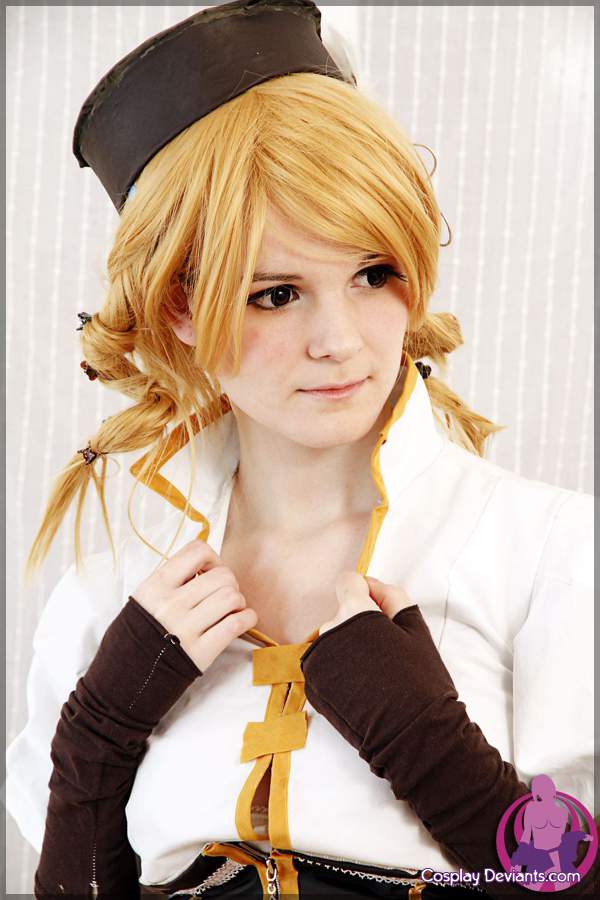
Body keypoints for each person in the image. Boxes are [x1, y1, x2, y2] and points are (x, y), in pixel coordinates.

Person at [5, 2, 596, 898]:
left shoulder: (548, 552)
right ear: (179, 307)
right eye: (276, 294)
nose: (341, 342)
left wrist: (432, 750)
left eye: (373, 275)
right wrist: (94, 741)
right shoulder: (110, 588)